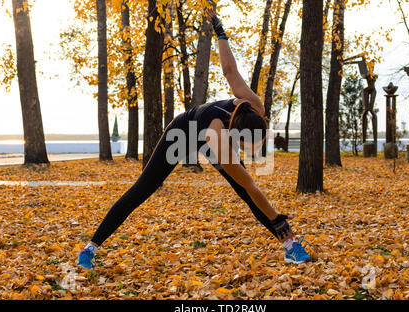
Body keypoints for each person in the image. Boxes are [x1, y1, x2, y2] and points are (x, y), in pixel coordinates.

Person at [78, 9, 312, 269]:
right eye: (249, 146)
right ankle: (89, 248)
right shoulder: (219, 139)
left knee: (246, 196)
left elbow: (229, 70)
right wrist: (276, 217)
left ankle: (290, 247)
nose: (253, 151)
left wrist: (221, 33)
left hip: (211, 132)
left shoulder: (254, 105)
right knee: (142, 189)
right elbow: (250, 185)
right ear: (237, 134)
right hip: (183, 133)